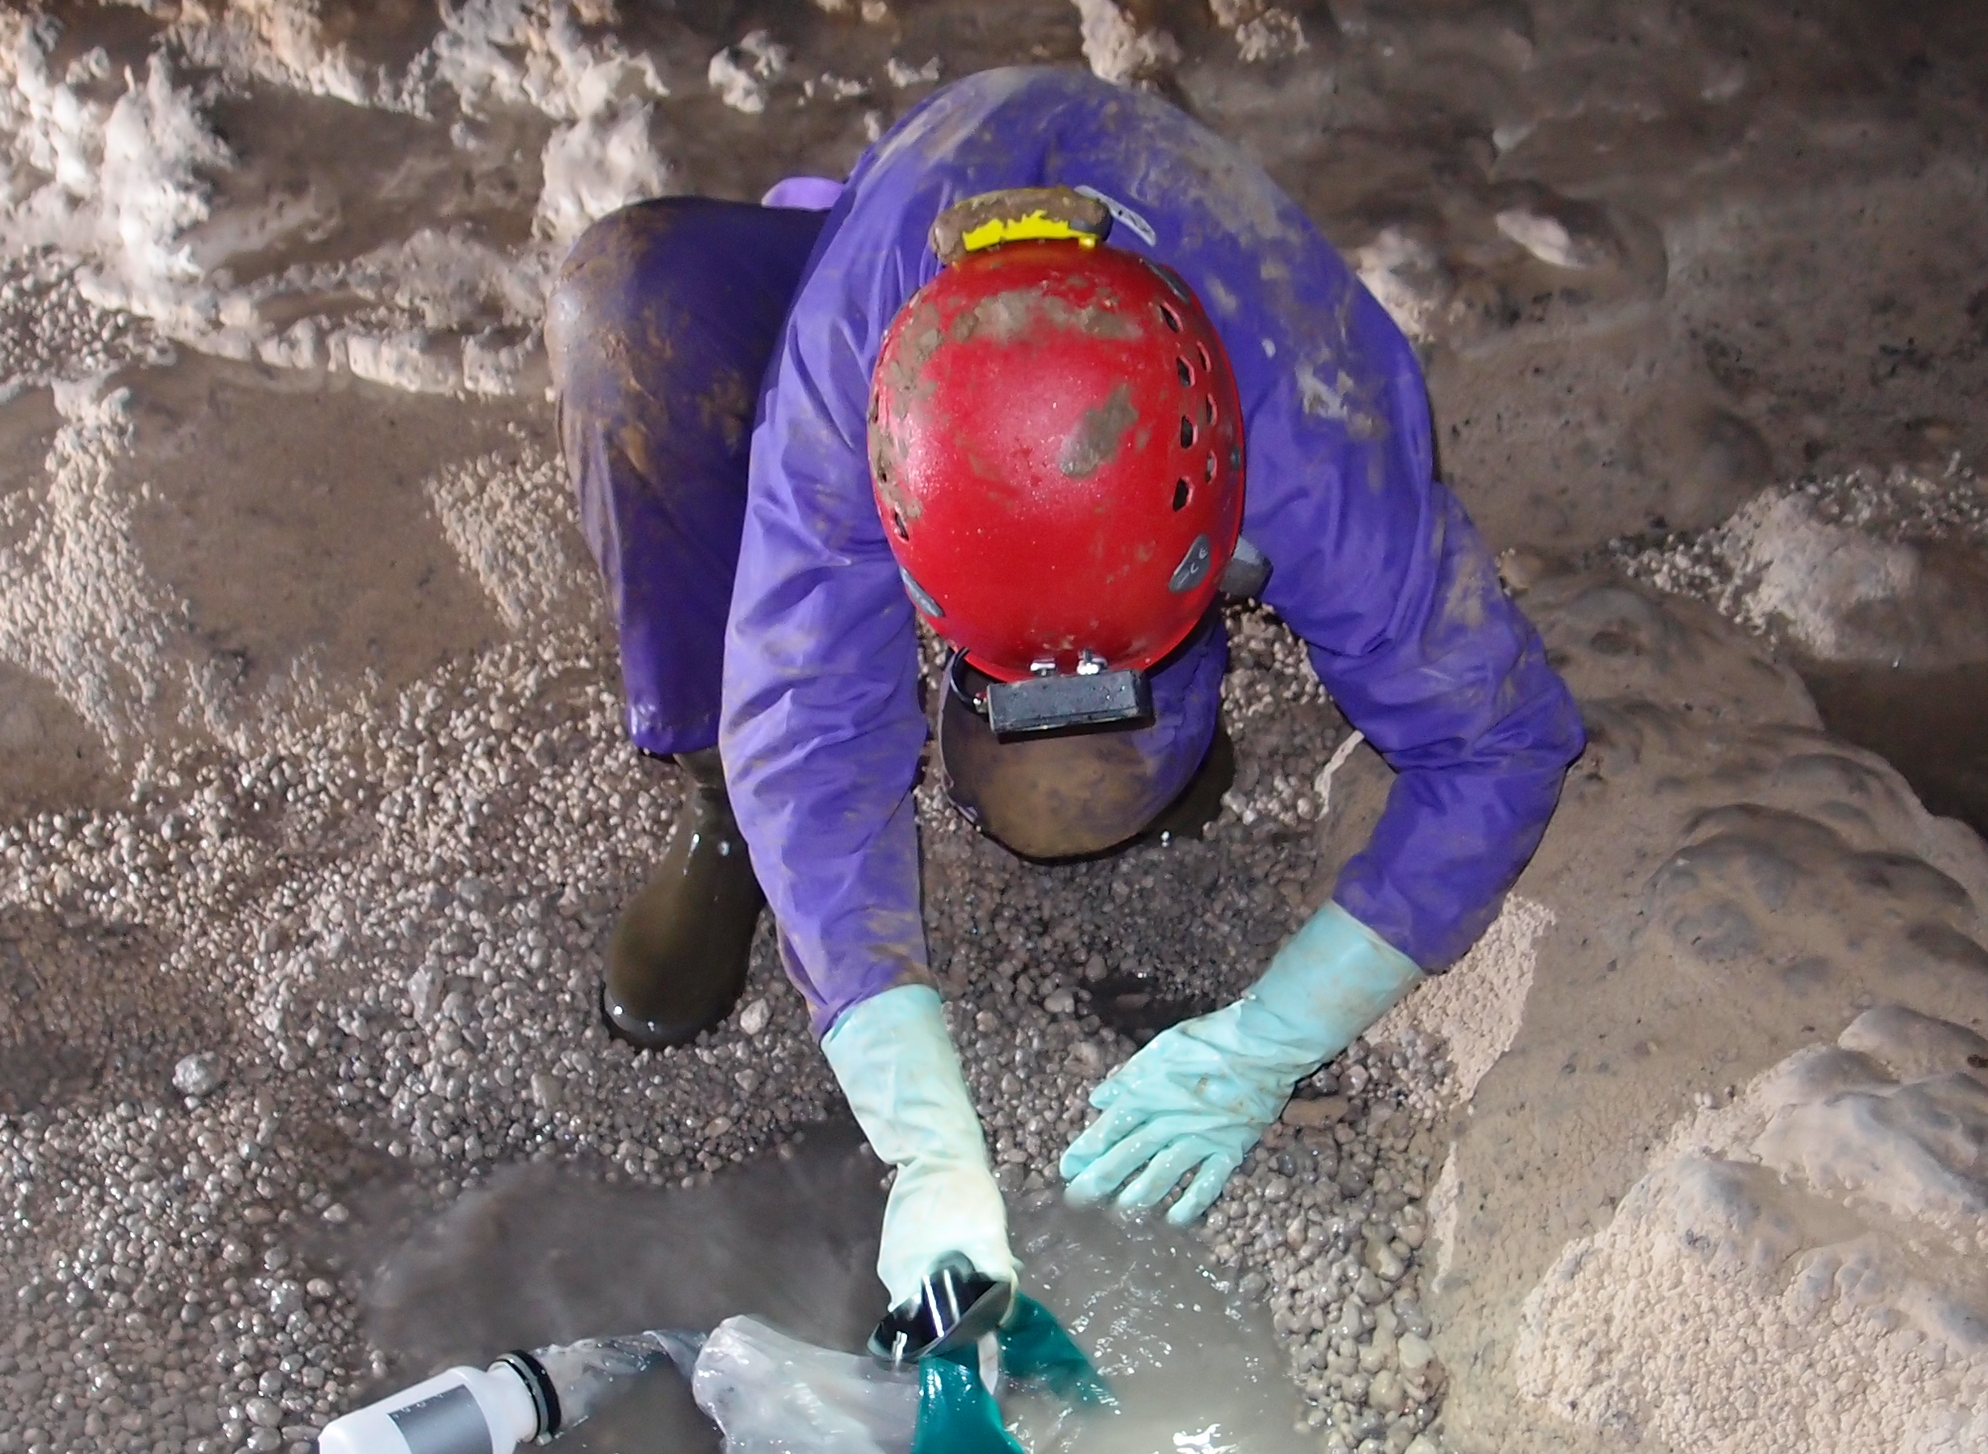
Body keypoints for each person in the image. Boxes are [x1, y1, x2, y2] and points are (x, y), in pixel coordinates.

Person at [545, 66, 1583, 1323]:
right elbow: (803, 725)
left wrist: (1267, 1042)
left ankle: (1173, 721)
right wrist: (922, 1136)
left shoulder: (1310, 423)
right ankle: (709, 808)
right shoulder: (848, 388)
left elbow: (1501, 742)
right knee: (631, 308)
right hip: (874, 243)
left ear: (1226, 532)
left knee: (1061, 794)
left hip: (1207, 350)